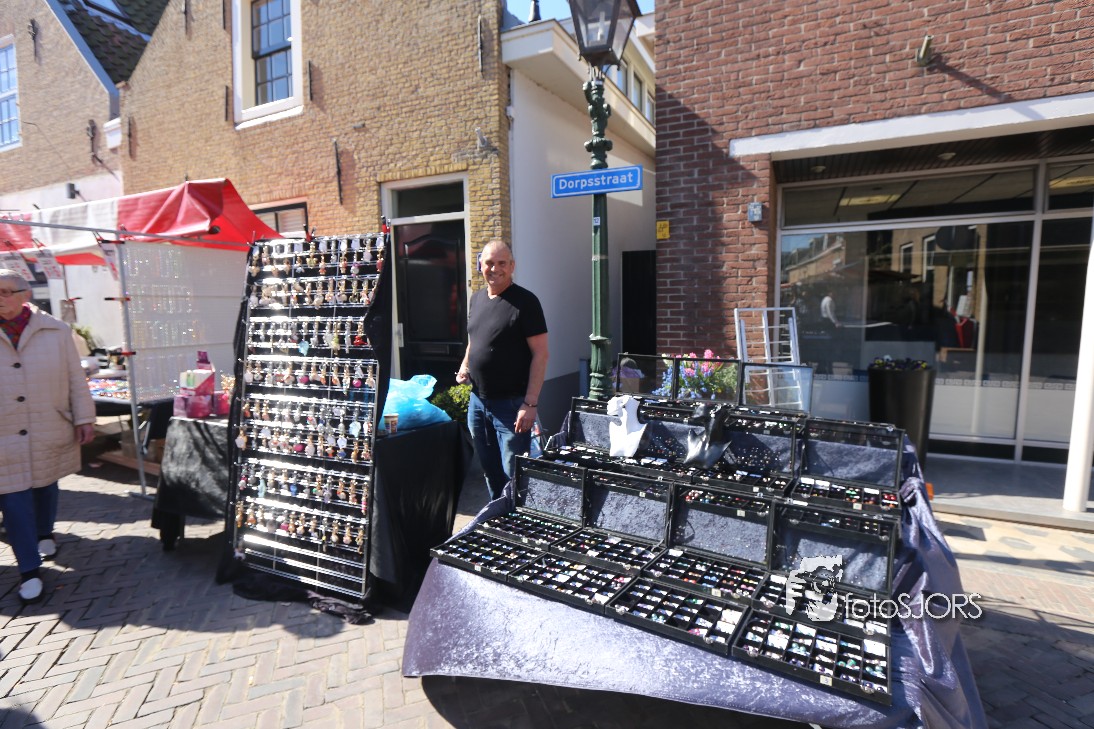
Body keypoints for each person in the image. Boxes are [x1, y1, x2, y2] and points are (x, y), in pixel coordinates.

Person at [0, 269, 96, 603]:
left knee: (45, 483)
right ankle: (29, 569)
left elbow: (75, 378)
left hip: (48, 423)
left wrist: (84, 417)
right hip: (4, 430)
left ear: (25, 295)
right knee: (13, 499)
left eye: (5, 292)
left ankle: (45, 532)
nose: (0, 299)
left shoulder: (56, 330)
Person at [456, 241, 548, 500]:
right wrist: (465, 366)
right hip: (478, 402)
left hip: (512, 406)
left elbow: (541, 354)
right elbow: (474, 340)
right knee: (491, 472)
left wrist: (531, 403)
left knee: (514, 475)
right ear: (480, 265)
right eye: (489, 263)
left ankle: (517, 520)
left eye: (501, 263)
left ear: (512, 266)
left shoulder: (526, 302)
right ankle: (498, 516)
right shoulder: (476, 299)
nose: (494, 268)